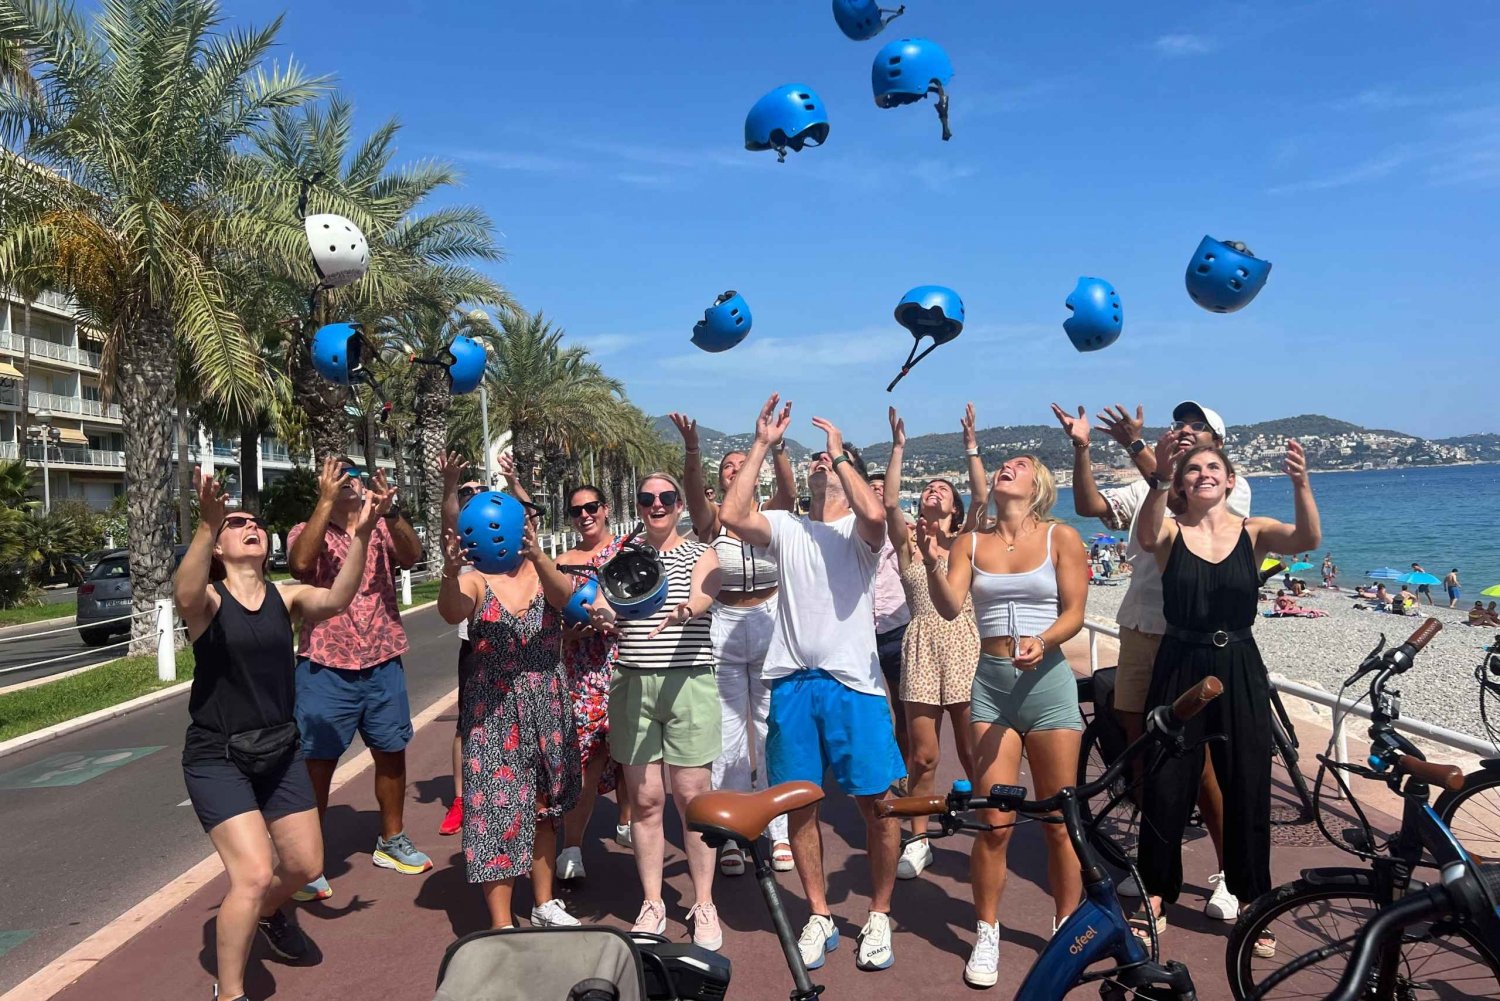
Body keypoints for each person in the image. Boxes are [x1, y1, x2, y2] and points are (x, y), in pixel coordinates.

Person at [176, 467, 385, 1001]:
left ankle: (271, 913)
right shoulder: (211, 603)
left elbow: (337, 599)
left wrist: (360, 534)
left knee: (305, 865)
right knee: (252, 872)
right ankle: (231, 992)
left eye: (254, 522)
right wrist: (205, 525)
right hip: (218, 755)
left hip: (279, 747)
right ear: (220, 546)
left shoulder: (286, 597)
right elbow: (184, 595)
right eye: (235, 522)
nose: (249, 526)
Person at [719, 394, 905, 974]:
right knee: (801, 807)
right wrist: (762, 445)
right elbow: (729, 515)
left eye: (834, 466)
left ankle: (878, 913)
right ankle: (820, 913)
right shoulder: (785, 527)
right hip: (793, 685)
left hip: (855, 688)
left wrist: (841, 454)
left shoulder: (858, 532)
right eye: (819, 465)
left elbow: (877, 516)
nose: (824, 468)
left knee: (879, 805)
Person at [1052, 399, 1249, 915]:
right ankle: (1156, 868)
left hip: (1198, 640)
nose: (1184, 431)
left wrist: (1140, 450)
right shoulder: (1150, 482)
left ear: (1219, 447)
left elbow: (1186, 508)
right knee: (1147, 756)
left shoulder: (1228, 484)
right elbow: (1089, 505)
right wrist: (1083, 448)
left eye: (1198, 426)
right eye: (1179, 424)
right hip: (1141, 626)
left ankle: (1230, 873)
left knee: (1202, 764)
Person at [1134, 437, 1320, 952]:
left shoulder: (1253, 532)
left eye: (1213, 467)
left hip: (1239, 663)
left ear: (1230, 480)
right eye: (1193, 470)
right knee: (1167, 779)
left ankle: (1252, 897)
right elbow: (1147, 537)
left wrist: (1300, 484)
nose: (1203, 475)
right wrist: (1157, 479)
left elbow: (1307, 538)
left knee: (1247, 783)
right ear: (1182, 483)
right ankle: (1155, 891)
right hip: (1180, 662)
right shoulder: (1171, 530)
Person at [921, 453, 1088, 987]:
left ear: (1038, 484)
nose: (1005, 468)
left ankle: (1066, 928)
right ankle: (987, 930)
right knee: (995, 822)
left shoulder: (1061, 537)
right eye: (1003, 464)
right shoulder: (970, 542)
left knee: (1061, 822)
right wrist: (930, 561)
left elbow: (1075, 613)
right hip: (991, 685)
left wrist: (1043, 640)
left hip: (1049, 685)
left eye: (1020, 463)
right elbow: (949, 607)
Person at [589, 473, 725, 950]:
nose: (657, 505)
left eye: (666, 497)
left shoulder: (698, 550)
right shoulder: (624, 556)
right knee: (645, 802)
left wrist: (687, 610)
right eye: (647, 499)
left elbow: (711, 588)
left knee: (692, 801)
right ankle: (653, 904)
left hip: (688, 681)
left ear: (680, 504)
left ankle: (703, 903)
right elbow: (603, 604)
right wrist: (601, 615)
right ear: (640, 506)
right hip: (633, 683)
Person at [437, 495, 582, 930]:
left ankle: (543, 903)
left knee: (542, 807)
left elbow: (563, 599)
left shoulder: (548, 570)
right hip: (493, 713)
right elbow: (452, 611)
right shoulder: (476, 579)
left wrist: (538, 556)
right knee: (495, 812)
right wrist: (447, 570)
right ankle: (502, 922)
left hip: (547, 704)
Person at [287, 457, 428, 900]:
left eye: (354, 479)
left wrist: (391, 511)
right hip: (325, 665)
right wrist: (325, 502)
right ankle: (307, 860)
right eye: (338, 479)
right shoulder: (306, 528)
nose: (350, 485)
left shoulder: (382, 527)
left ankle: (391, 840)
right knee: (317, 762)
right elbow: (299, 564)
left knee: (391, 752)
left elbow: (414, 555)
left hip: (383, 659)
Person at [670, 412, 799, 876]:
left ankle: (777, 830)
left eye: (740, 463)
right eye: (728, 465)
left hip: (768, 617)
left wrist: (776, 447)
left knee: (768, 728)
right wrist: (692, 450)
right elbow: (691, 492)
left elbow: (788, 489)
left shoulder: (772, 514)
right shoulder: (712, 521)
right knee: (726, 736)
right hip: (722, 619)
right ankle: (730, 834)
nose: (733, 468)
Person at [885, 406, 980, 882]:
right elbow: (887, 506)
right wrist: (899, 449)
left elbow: (982, 495)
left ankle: (989, 826)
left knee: (971, 750)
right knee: (922, 755)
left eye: (943, 489)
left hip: (963, 643)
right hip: (921, 643)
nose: (933, 491)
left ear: (956, 509)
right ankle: (917, 838)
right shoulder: (907, 540)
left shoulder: (965, 542)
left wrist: (970, 447)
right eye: (928, 489)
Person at [554, 484, 631, 880]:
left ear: (606, 509)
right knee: (587, 761)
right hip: (580, 675)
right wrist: (570, 635)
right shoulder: (561, 562)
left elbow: (641, 606)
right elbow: (546, 617)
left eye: (591, 507)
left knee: (631, 757)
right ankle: (571, 848)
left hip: (623, 665)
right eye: (575, 510)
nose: (584, 515)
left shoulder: (625, 553)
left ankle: (628, 819)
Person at [435, 454, 487, 838]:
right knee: (467, 724)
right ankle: (461, 799)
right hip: (475, 646)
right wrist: (452, 485)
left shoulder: (507, 537)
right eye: (467, 493)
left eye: (478, 490)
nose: (472, 495)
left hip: (512, 645)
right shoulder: (463, 543)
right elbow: (449, 521)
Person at [870, 470, 914, 772]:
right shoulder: (851, 528)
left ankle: (904, 770)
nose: (875, 491)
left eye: (881, 487)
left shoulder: (903, 529)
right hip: (859, 631)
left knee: (904, 706)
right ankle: (876, 769)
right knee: (869, 709)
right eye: (870, 486)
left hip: (896, 625)